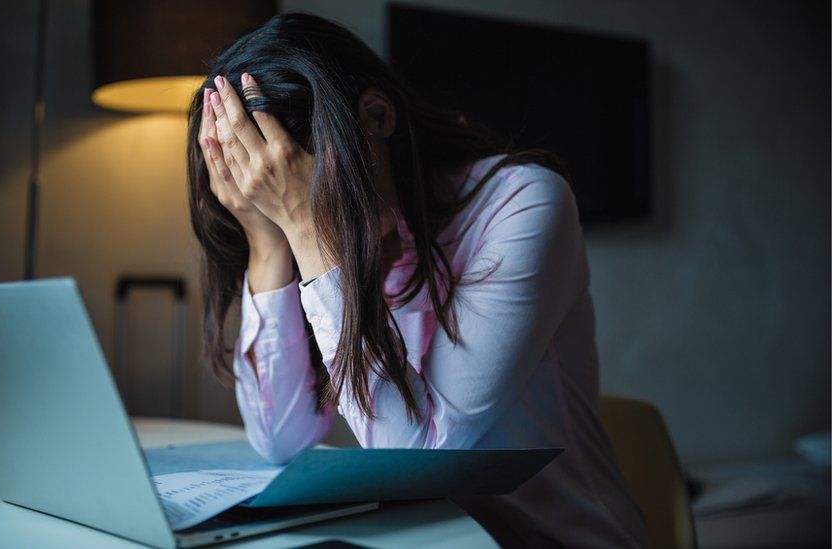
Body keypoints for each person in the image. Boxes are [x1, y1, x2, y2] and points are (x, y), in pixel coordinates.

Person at [185, 12, 649, 548]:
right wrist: (268, 242)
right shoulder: (293, 230)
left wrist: (309, 229)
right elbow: (281, 439)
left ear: (377, 115)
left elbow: (418, 456)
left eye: (294, 185)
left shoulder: (524, 204)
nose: (296, 208)